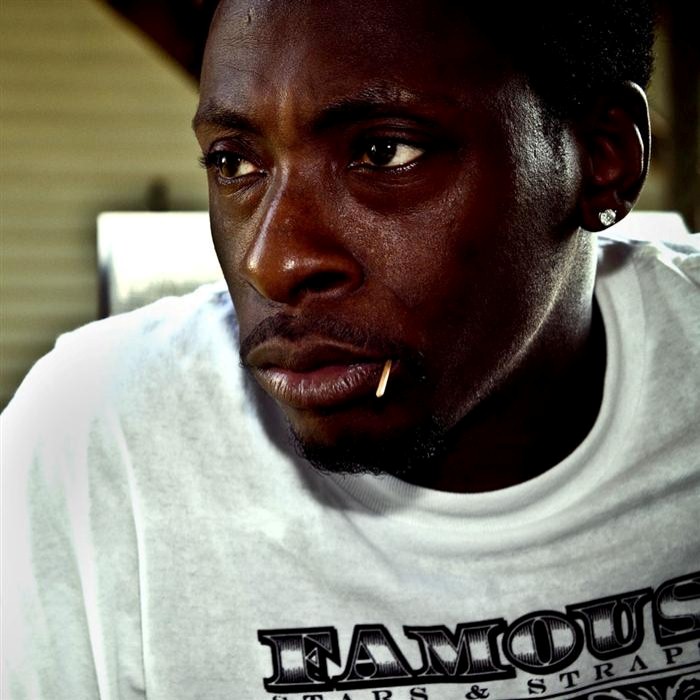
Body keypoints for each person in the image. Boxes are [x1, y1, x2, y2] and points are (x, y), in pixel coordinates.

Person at [2, 0, 699, 698]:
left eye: (383, 153)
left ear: (603, 156)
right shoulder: (94, 434)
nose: (270, 263)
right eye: (233, 161)